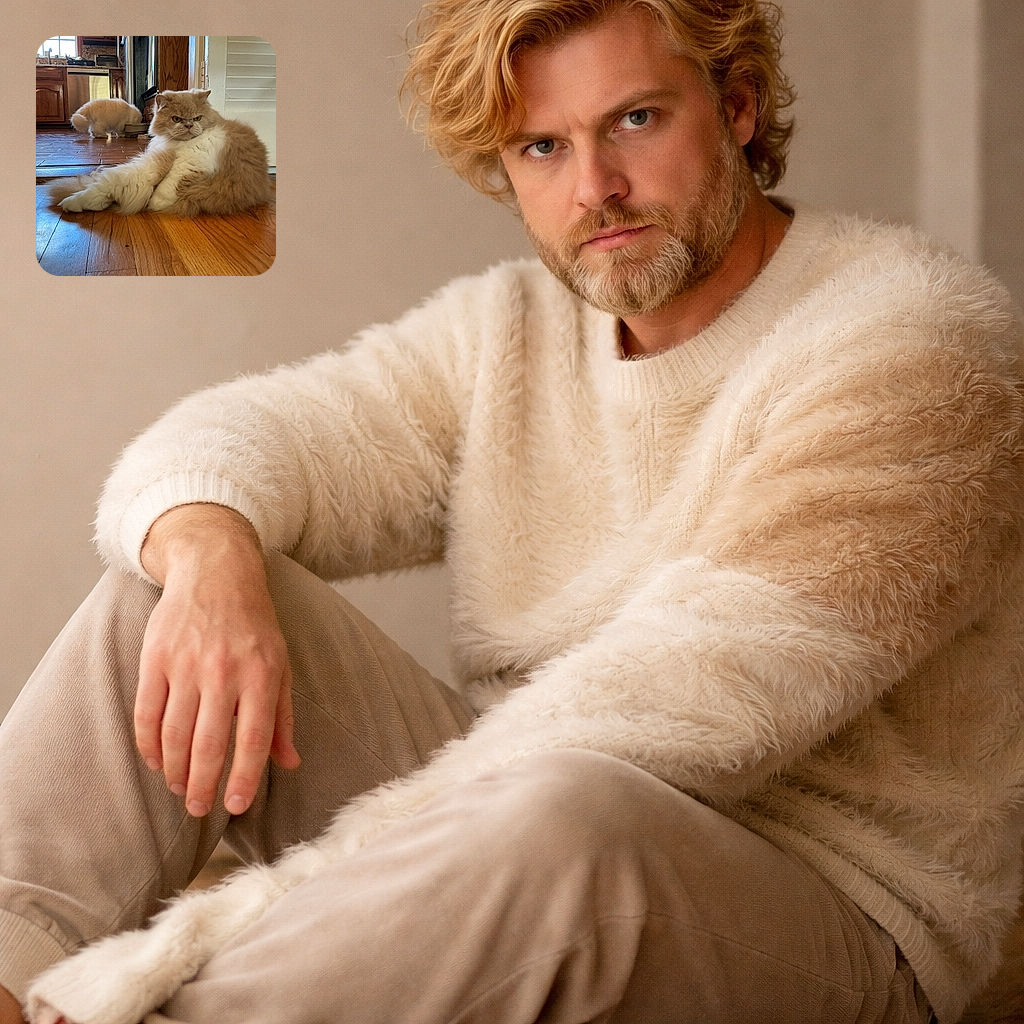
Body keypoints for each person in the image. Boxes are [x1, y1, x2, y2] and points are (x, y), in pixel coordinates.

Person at [3, 1, 1023, 1021]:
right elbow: (250, 435)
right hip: (516, 811)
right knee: (171, 588)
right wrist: (209, 557)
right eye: (543, 146)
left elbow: (684, 704)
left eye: (635, 121)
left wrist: (237, 917)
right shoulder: (511, 328)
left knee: (564, 815)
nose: (596, 189)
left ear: (738, 106)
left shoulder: (916, 342)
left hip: (826, 910)